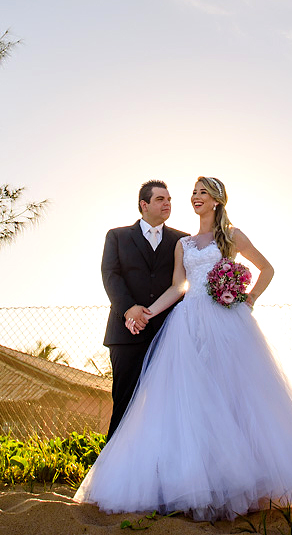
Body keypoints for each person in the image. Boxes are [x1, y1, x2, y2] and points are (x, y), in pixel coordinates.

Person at [76, 177, 292, 521]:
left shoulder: (233, 236)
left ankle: (249, 480)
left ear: (217, 201)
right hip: (188, 323)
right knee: (192, 401)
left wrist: (248, 297)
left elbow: (266, 268)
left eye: (202, 193)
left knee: (238, 396)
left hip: (227, 322)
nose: (194, 198)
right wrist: (147, 312)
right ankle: (196, 480)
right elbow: (179, 286)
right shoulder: (184, 244)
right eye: (193, 192)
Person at [100, 180, 190, 439]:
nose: (167, 203)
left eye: (169, 199)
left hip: (168, 333)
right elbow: (110, 275)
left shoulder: (181, 240)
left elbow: (182, 283)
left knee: (167, 403)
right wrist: (129, 309)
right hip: (125, 334)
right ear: (144, 204)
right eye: (161, 199)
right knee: (125, 403)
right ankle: (113, 473)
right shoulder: (117, 236)